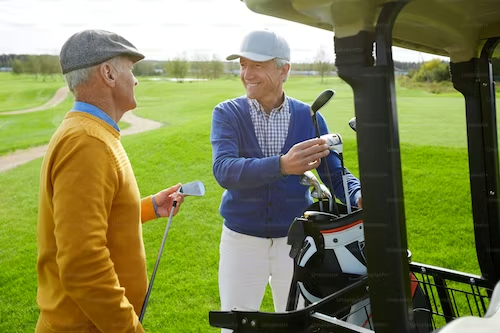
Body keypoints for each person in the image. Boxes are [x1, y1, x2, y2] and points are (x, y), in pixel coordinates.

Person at [210, 29, 362, 329]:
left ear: (284, 69)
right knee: (236, 325)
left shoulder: (309, 117)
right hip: (241, 242)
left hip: (296, 245)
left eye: (257, 65)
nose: (246, 73)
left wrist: (357, 193)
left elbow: (334, 173)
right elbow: (224, 170)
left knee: (300, 325)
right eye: (242, 64)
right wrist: (282, 165)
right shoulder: (227, 113)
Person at [36, 29, 184, 333]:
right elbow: (83, 265)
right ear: (108, 74)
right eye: (130, 69)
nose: (136, 79)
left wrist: (150, 208)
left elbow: (97, 219)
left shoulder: (93, 132)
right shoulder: (86, 142)